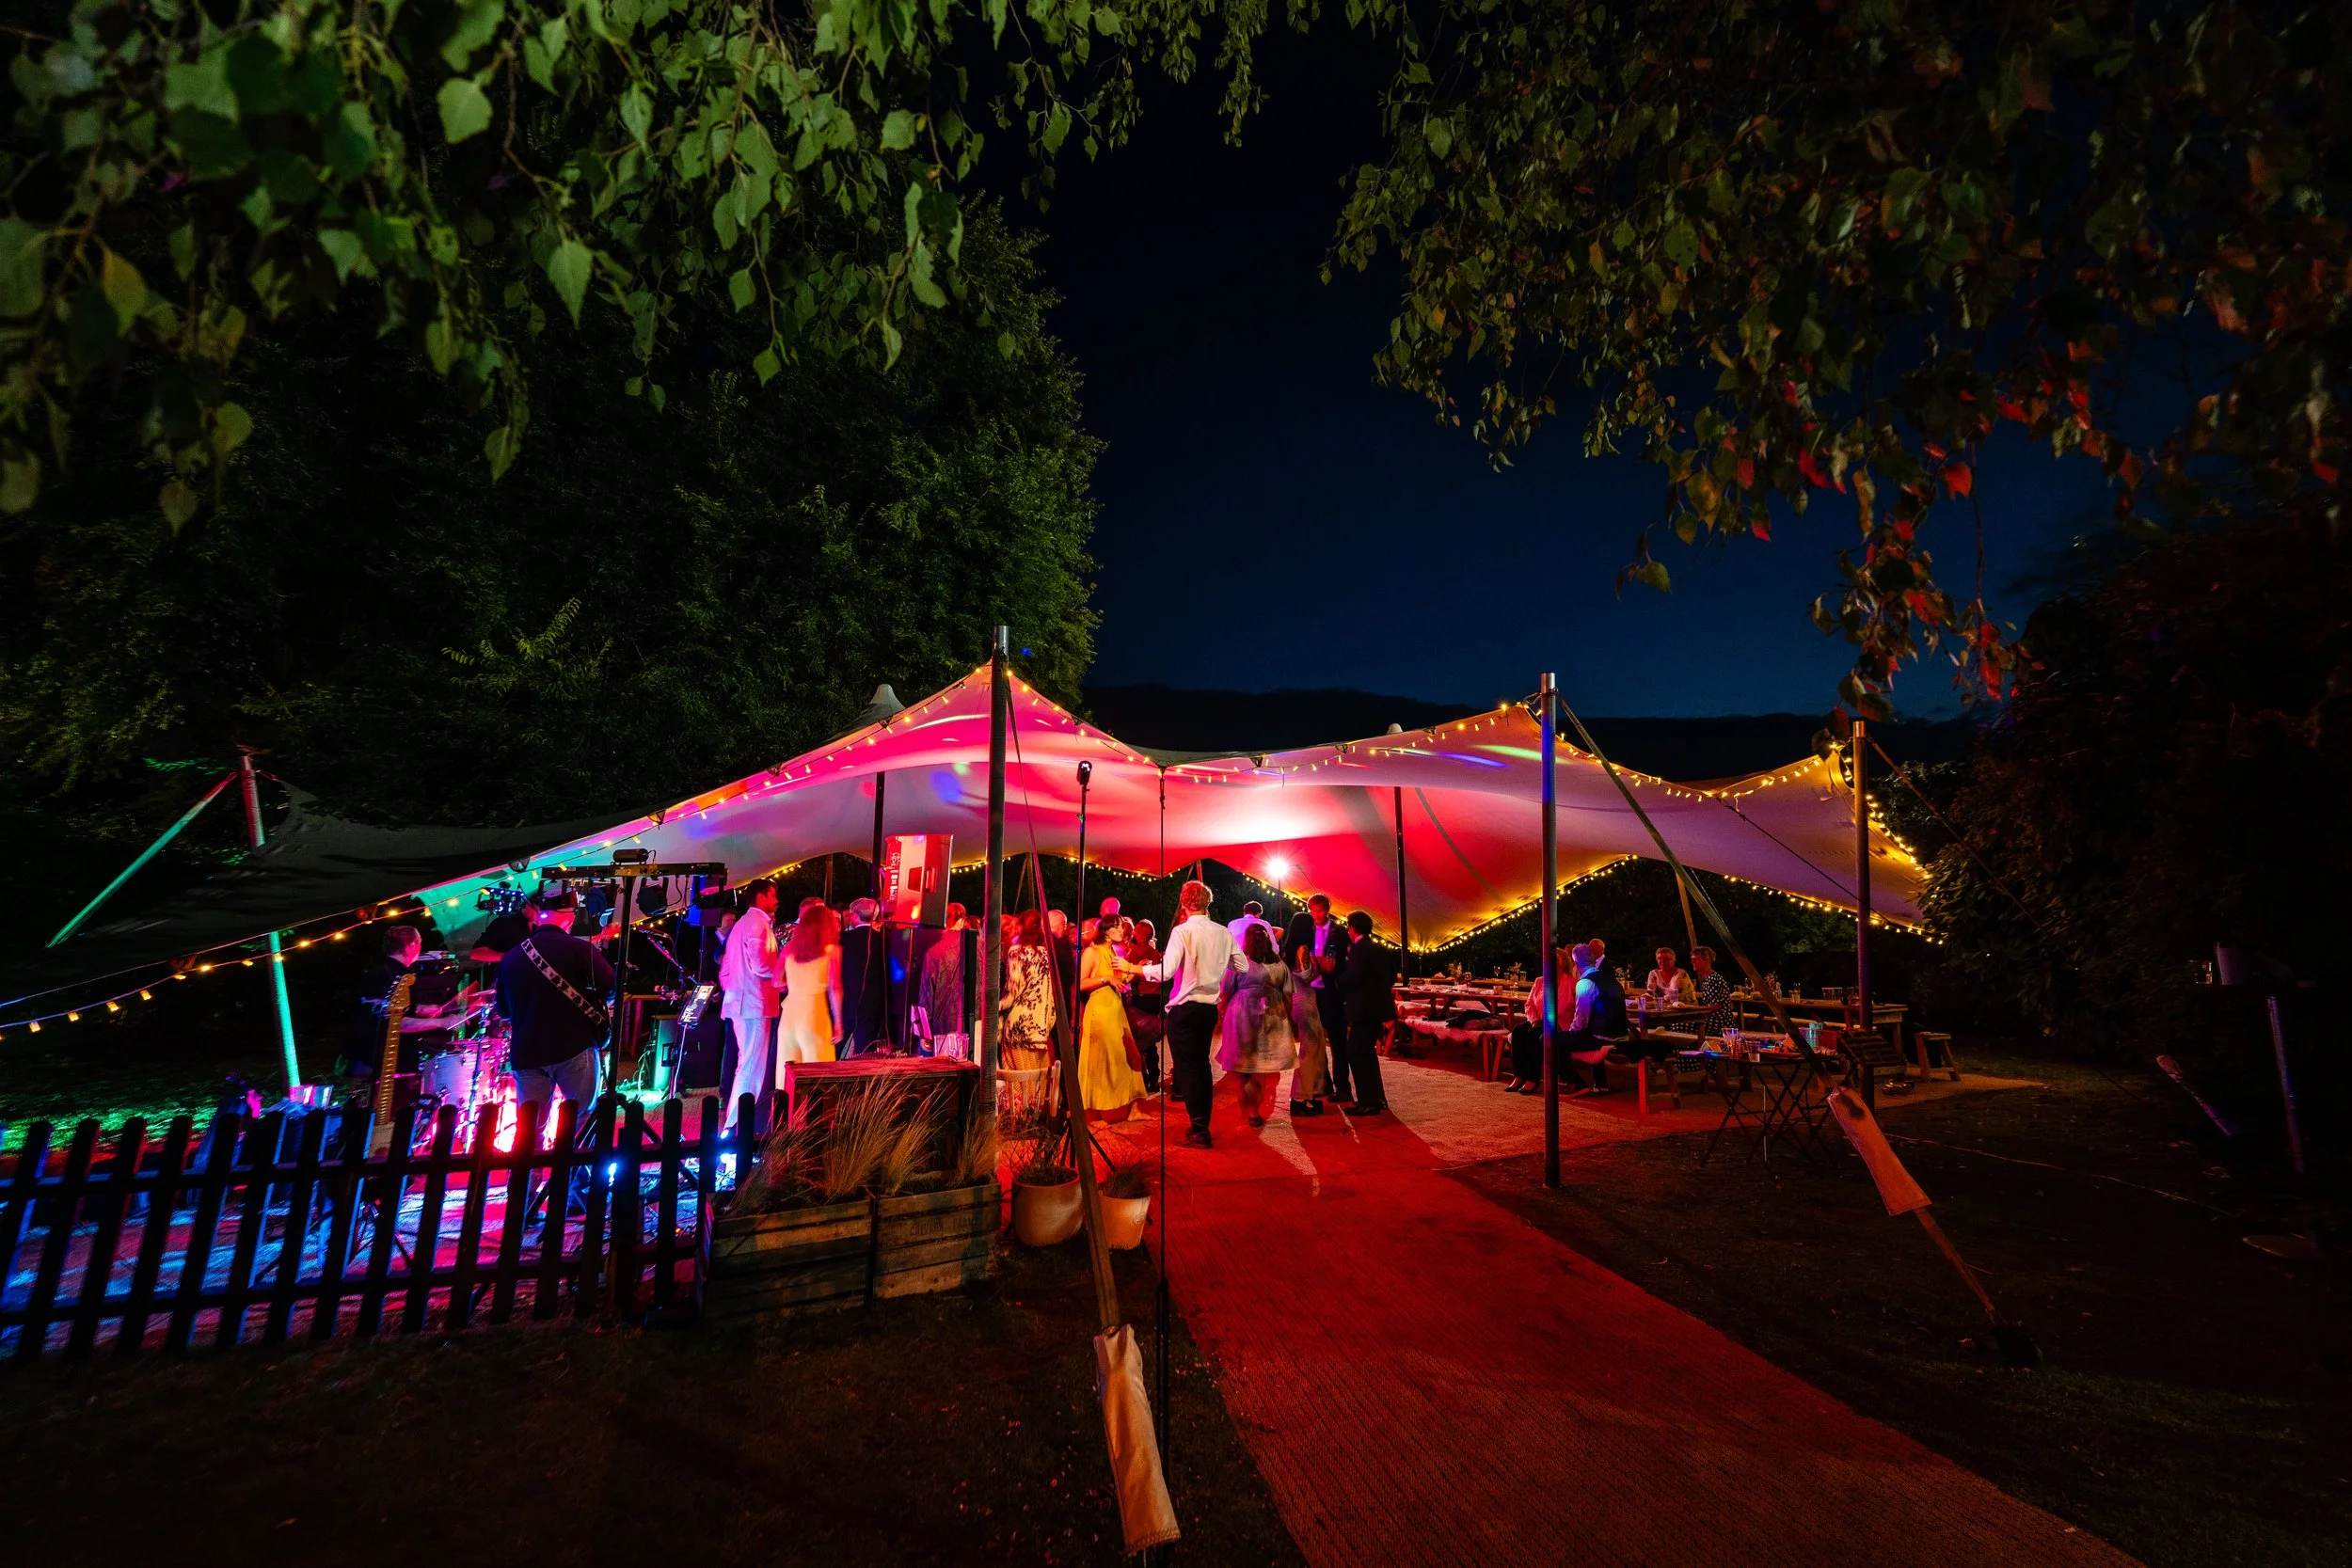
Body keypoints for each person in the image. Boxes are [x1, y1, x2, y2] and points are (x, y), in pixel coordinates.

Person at [495, 894, 614, 1121]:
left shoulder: (511, 958)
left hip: (527, 1052)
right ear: (569, 917)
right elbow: (611, 987)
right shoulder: (581, 949)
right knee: (580, 1120)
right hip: (574, 1047)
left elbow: (503, 1011)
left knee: (530, 1127)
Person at [1142, 879, 1239, 1148]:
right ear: (1208, 903)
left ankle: (1199, 1131)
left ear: (1184, 904)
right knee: (1201, 1066)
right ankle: (1200, 1125)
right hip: (1208, 1008)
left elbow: (1165, 972)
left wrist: (1135, 969)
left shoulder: (1182, 931)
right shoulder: (1223, 932)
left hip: (1185, 1009)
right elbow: (1241, 965)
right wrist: (1217, 962)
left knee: (1187, 1068)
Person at [1217, 926, 1297, 1128]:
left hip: (1241, 1013)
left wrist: (1219, 1015)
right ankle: (1254, 1111)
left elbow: (1226, 991)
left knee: (1243, 1062)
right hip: (1271, 1013)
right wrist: (1288, 1018)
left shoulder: (1240, 962)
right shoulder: (1279, 964)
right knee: (1261, 1065)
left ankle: (1247, 1101)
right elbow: (1288, 993)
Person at [717, 879, 783, 1124]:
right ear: (761, 897)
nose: (776, 900)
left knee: (746, 1064)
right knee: (751, 1067)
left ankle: (737, 1124)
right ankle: (736, 1126)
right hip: (754, 1004)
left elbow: (725, 969)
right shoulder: (757, 922)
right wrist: (784, 975)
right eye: (773, 895)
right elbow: (760, 964)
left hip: (742, 1003)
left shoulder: (742, 924)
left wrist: (735, 990)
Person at [1077, 916, 1151, 1120]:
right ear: (1106, 931)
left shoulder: (1112, 952)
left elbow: (1119, 982)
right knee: (1101, 1061)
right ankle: (1094, 1112)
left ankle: (1133, 1108)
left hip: (1116, 1010)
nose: (1122, 930)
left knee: (1130, 1057)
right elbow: (1080, 983)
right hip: (1100, 1012)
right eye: (1117, 927)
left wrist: (1136, 970)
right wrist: (1106, 978)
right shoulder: (1092, 952)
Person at [1285, 895, 1353, 1103]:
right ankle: (1322, 1085)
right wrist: (1318, 965)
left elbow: (1345, 961)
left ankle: (1343, 1087)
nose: (1317, 915)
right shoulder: (1306, 932)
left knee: (1338, 1042)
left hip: (1331, 992)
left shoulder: (1339, 932)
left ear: (1327, 910)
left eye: (1320, 910)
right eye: (1313, 911)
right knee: (1315, 1043)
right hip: (1310, 992)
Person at [1333, 911, 1396, 1114]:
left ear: (1352, 928)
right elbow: (1392, 978)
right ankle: (1377, 1098)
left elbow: (1353, 978)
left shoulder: (1359, 949)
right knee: (1367, 1053)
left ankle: (1367, 1102)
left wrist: (1335, 975)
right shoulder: (1381, 949)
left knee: (1356, 1052)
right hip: (1378, 1009)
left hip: (1362, 1009)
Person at [1558, 942, 1633, 1095]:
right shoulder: (1613, 981)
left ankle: (1576, 1082)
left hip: (1602, 1038)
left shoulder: (1584, 984)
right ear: (1593, 959)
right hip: (1622, 1037)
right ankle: (1601, 1083)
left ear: (1574, 963)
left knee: (1549, 1039)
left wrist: (1569, 1033)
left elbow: (1581, 1021)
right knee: (1587, 1032)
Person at [777, 899, 843, 1068]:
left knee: (788, 1073)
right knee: (818, 1071)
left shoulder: (789, 948)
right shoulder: (831, 951)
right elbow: (835, 988)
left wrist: (794, 983)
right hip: (814, 1014)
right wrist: (838, 1023)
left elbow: (776, 980)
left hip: (789, 1017)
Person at [1504, 942, 1576, 1094]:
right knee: (1518, 1031)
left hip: (1559, 1024)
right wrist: (1534, 1020)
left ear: (1563, 964)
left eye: (1556, 961)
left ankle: (1532, 1079)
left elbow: (1575, 1007)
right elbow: (1529, 1004)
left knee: (1534, 1035)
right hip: (1538, 1021)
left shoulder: (1571, 983)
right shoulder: (1539, 981)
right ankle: (1519, 1075)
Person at [999, 908, 1058, 1072]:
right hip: (1041, 1029)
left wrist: (994, 1008)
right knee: (1039, 1082)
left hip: (1019, 1028)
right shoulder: (1048, 954)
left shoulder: (1017, 952)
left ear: (1021, 927)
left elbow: (1013, 991)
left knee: (1018, 1082)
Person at [918, 903, 971, 1058]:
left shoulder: (934, 952)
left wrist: (924, 1032)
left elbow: (926, 995)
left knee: (948, 1069)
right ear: (963, 919)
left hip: (946, 1027)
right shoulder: (980, 948)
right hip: (977, 1024)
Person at [837, 897, 888, 1053]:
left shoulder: (843, 939)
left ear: (855, 915)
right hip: (872, 1004)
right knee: (864, 1052)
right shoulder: (883, 940)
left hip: (846, 1002)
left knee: (834, 1050)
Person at [1123, 917, 1167, 1094]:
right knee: (1150, 1041)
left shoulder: (1134, 952)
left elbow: (1131, 975)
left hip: (1141, 997)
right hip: (1155, 998)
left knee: (1139, 1040)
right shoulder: (1155, 954)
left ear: (1139, 934)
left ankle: (1142, 1078)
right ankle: (1154, 1077)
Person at [1692, 945, 1733, 1039]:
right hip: (1713, 1019)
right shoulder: (1708, 978)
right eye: (1692, 960)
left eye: (1696, 960)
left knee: (1682, 1025)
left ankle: (1688, 1046)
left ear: (1707, 961)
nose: (1692, 962)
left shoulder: (1713, 979)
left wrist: (1697, 1010)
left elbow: (1716, 1006)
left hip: (1719, 1022)